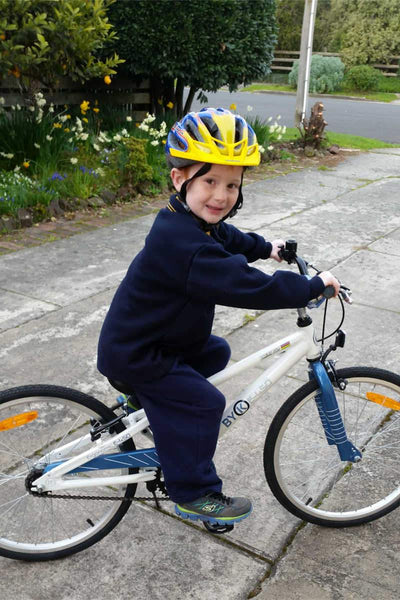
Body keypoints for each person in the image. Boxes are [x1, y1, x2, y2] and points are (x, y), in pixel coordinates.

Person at [97, 107, 340, 527]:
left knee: (215, 351)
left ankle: (147, 406)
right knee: (206, 402)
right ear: (180, 178)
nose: (221, 195)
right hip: (138, 354)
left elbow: (228, 236)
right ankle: (193, 492)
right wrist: (312, 287)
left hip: (156, 341)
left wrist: (268, 248)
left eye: (232, 184)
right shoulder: (184, 245)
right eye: (210, 181)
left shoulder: (187, 220)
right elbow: (248, 286)